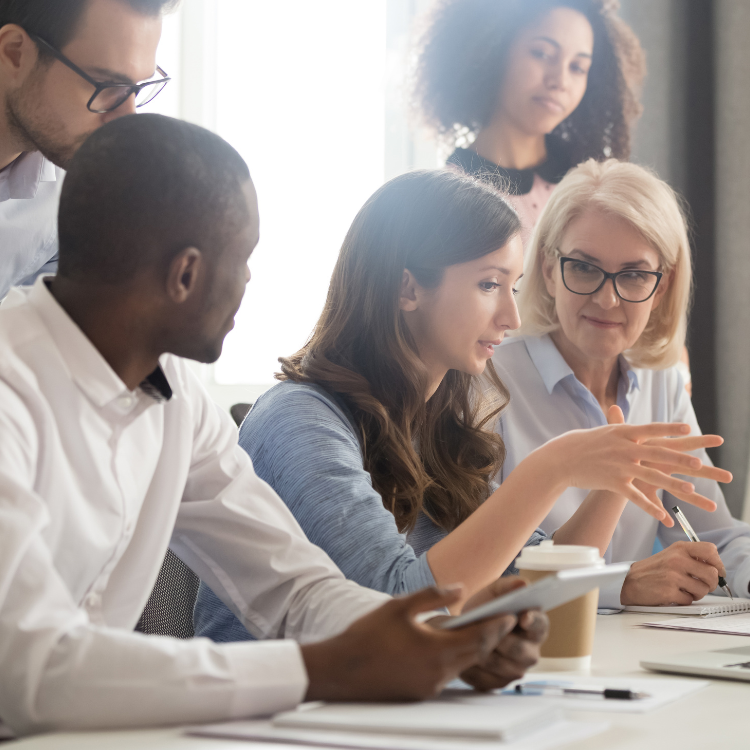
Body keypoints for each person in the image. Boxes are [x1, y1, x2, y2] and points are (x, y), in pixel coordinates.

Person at [0, 114, 541, 737]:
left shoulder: (179, 397)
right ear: (186, 274)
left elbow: (294, 589)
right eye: (245, 258)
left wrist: (444, 640)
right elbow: (32, 671)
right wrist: (321, 670)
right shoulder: (14, 391)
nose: (250, 283)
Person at [194, 167, 722, 643]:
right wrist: (550, 469)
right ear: (408, 288)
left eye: (512, 287)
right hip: (271, 719)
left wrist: (617, 474)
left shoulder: (434, 424)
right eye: (489, 284)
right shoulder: (300, 420)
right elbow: (399, 604)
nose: (512, 317)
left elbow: (543, 583)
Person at [492, 158, 739, 609]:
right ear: (549, 270)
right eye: (584, 268)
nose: (607, 299)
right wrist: (619, 583)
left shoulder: (661, 382)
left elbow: (717, 537)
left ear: (661, 287)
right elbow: (486, 564)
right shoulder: (489, 380)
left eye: (633, 275)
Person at [410, 0, 644, 246]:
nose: (560, 80)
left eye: (577, 67)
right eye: (542, 53)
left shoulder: (590, 187)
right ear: (492, 50)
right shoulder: (445, 201)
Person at [0, 0, 174, 299]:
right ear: (14, 53)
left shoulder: (73, 198)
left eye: (136, 88)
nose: (127, 118)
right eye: (107, 86)